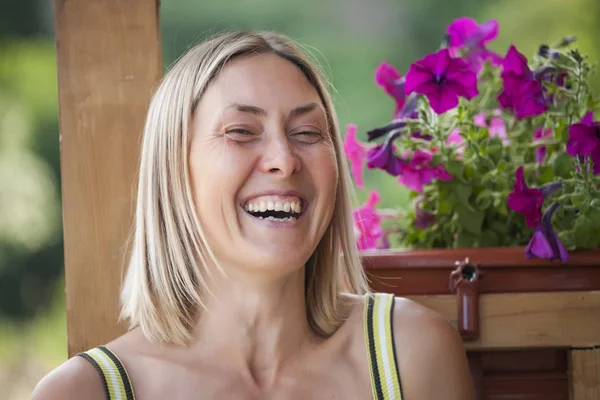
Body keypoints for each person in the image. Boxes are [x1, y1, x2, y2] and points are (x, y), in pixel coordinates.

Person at [31, 30, 475, 400]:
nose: (284, 159)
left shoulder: (411, 355)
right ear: (173, 170)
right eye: (241, 132)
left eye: (307, 132)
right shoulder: (81, 392)